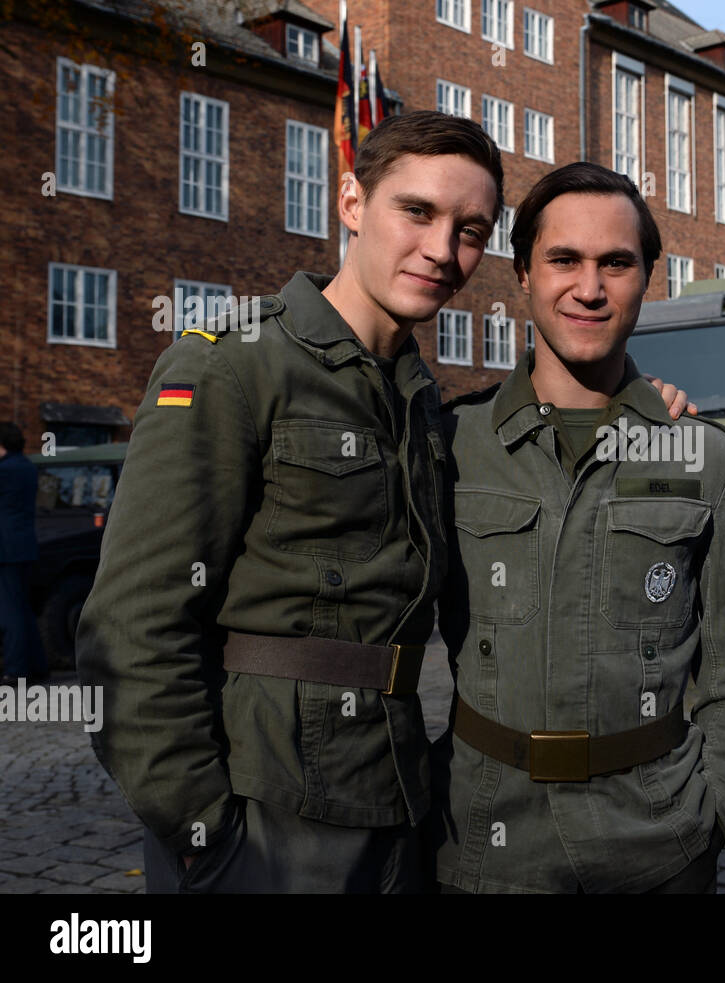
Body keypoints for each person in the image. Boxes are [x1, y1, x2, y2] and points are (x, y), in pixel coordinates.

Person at [75, 112, 506, 893]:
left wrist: (643, 403)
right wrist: (207, 838)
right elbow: (132, 628)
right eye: (418, 211)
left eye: (471, 230)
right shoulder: (234, 369)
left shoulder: (417, 397)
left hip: (393, 803)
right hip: (265, 824)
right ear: (350, 201)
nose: (443, 251)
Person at [431, 162, 725, 893]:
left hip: (652, 845)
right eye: (564, 259)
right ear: (523, 273)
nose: (589, 288)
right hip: (483, 842)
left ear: (646, 277)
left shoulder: (704, 459)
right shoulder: (451, 445)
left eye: (615, 263)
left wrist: (713, 817)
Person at [0, 422, 48, 686]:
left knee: (9, 613)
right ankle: (38, 665)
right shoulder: (28, 467)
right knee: (23, 610)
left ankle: (17, 670)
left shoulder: (4, 470)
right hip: (24, 545)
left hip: (6, 549)